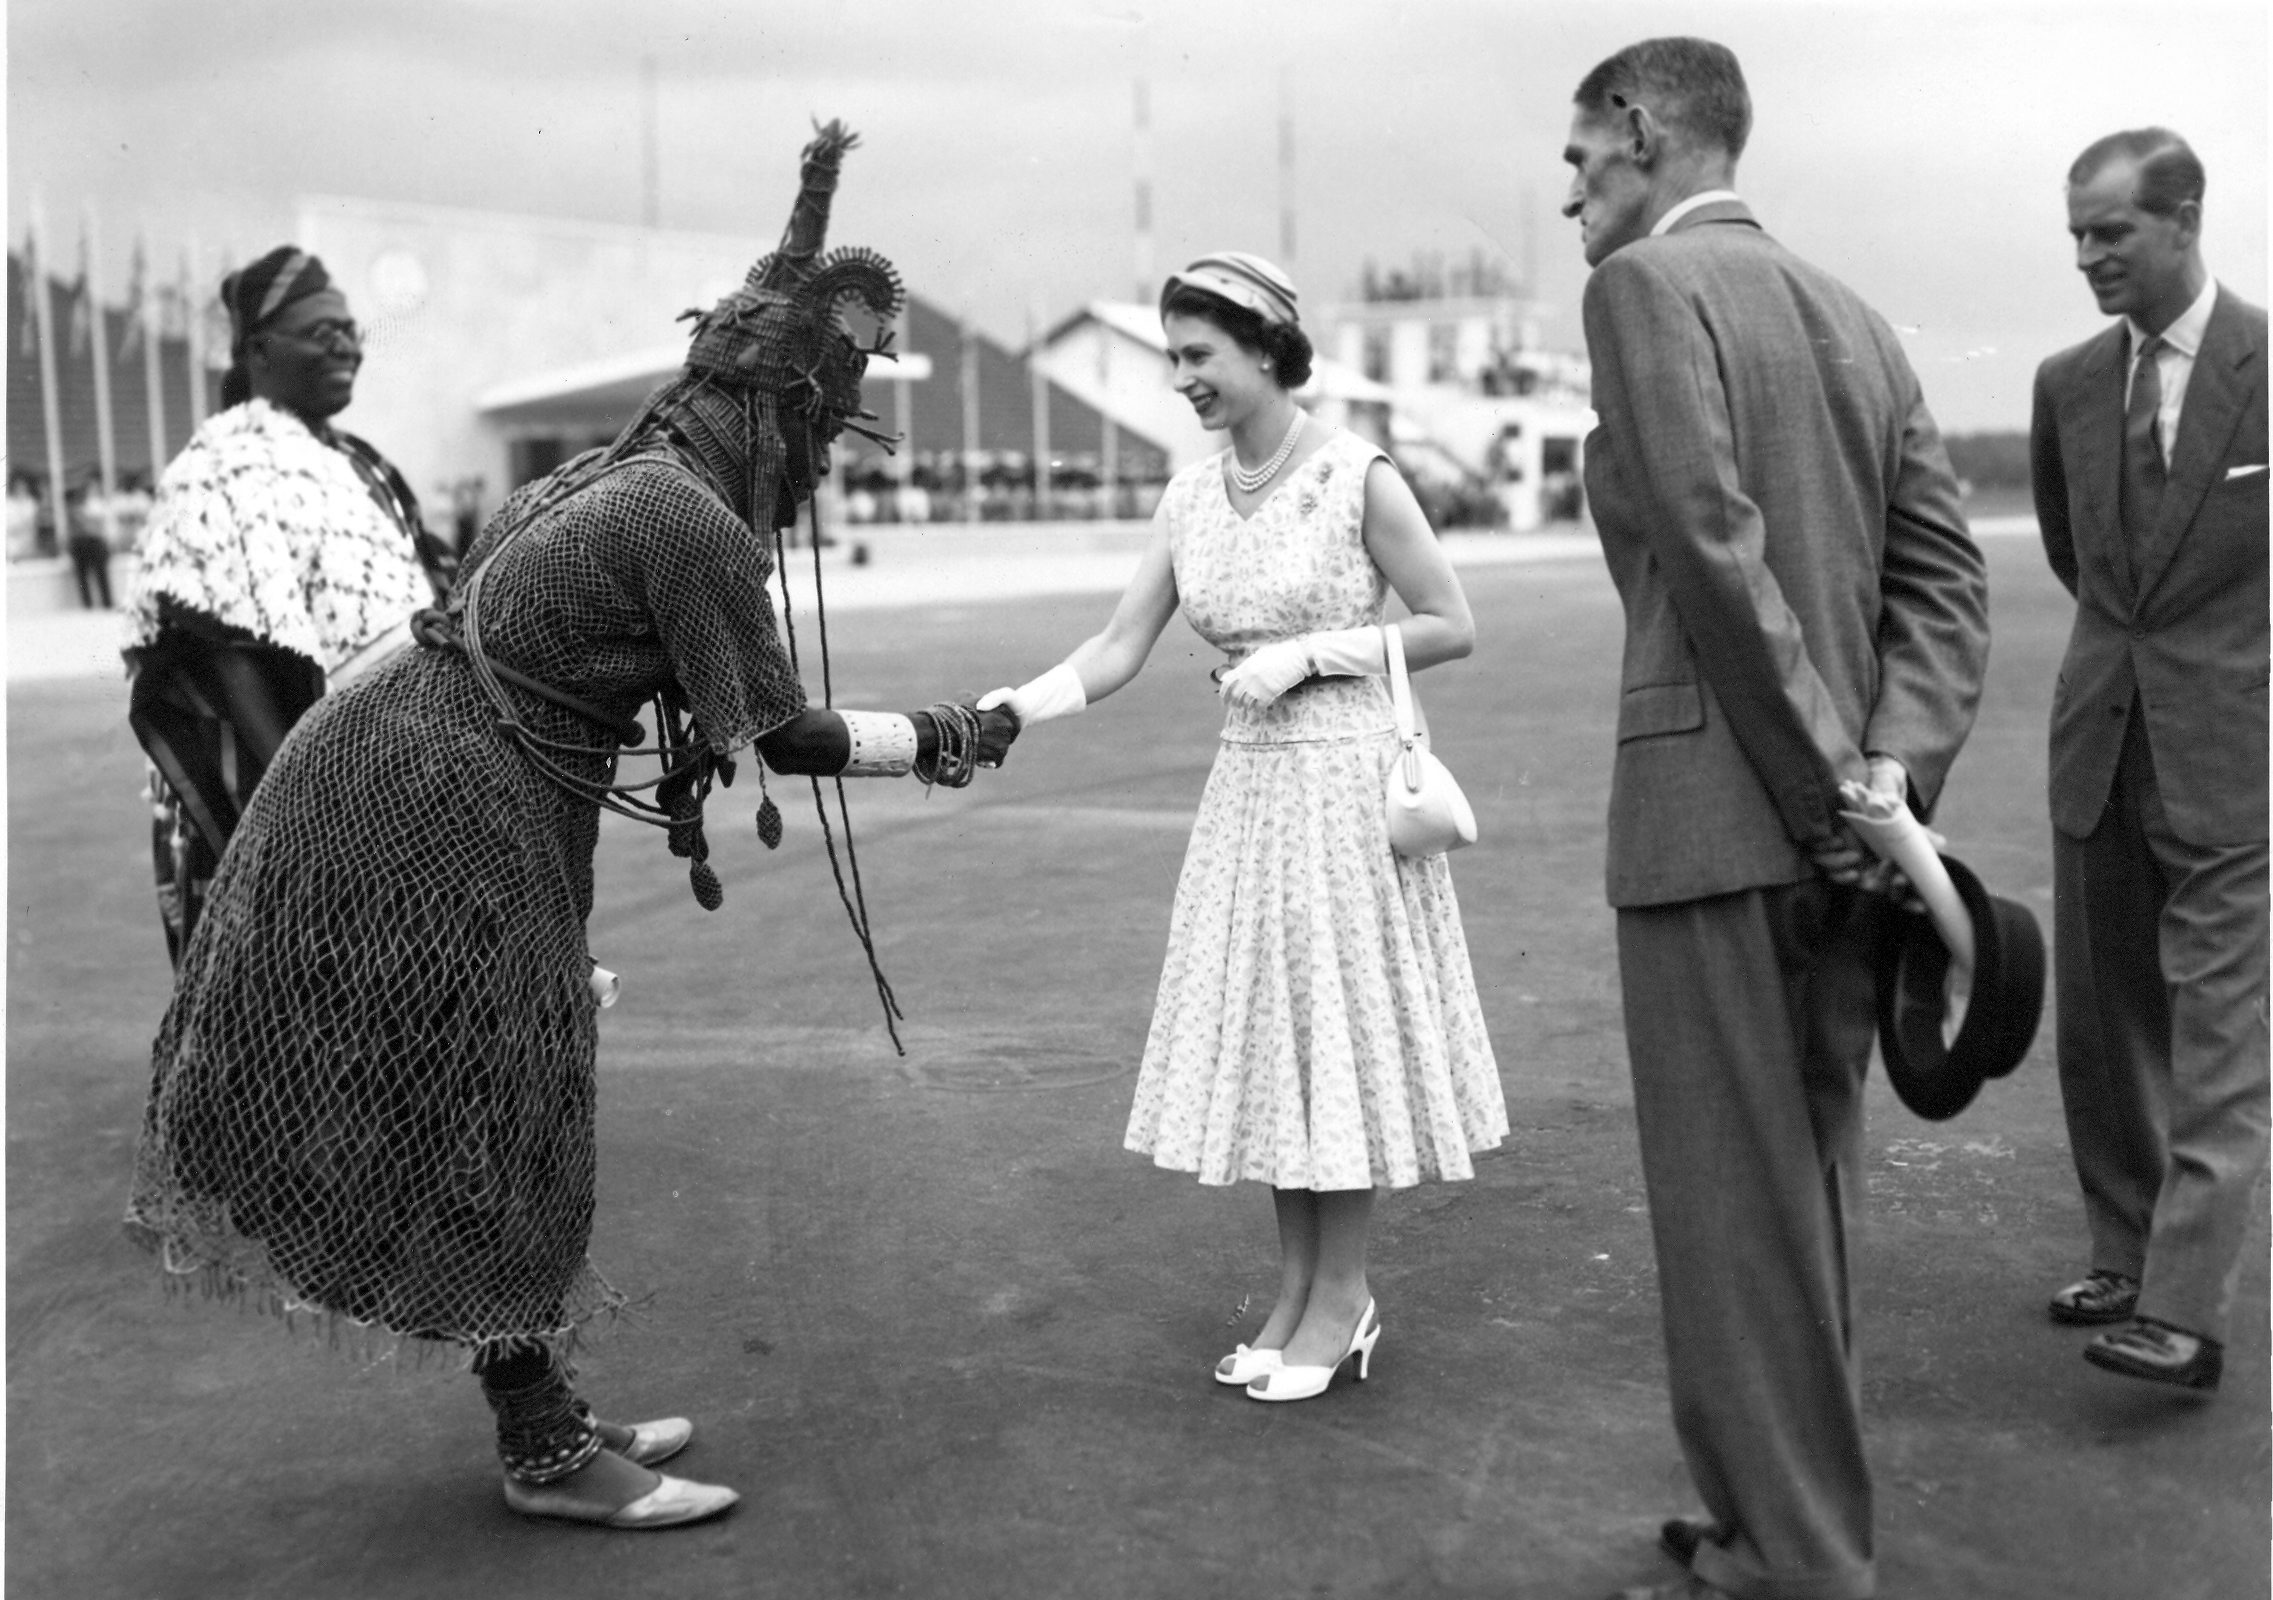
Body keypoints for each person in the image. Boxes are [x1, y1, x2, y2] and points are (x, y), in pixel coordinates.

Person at [125, 122, 1017, 1531]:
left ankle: (538, 1409)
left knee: (486, 1098)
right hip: (441, 800)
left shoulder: (615, 470)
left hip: (390, 765)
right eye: (822, 433)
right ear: (777, 413)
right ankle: (543, 1452)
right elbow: (781, 734)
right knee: (507, 1103)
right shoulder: (687, 521)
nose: (820, 468)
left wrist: (811, 200)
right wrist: (947, 736)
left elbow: (764, 317)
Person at [1559, 39, 1989, 1600]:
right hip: (1857, 840)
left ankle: (1799, 1563)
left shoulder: (1643, 292)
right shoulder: (1856, 317)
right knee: (1808, 1196)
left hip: (1722, 826)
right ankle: (1781, 1530)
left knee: (1733, 1219)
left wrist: (1825, 800)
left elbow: (1711, 542)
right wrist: (1888, 783)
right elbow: (1944, 578)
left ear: (1640, 128)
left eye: (1577, 160)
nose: (1570, 198)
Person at [980, 251, 1506, 1404]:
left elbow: (1449, 622)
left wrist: (1311, 653)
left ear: (1266, 349)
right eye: (1172, 356)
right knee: (1278, 1042)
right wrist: (1018, 707)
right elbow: (1118, 644)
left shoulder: (1355, 474)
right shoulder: (1188, 495)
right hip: (1248, 796)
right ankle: (1297, 1293)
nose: (1181, 378)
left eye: (1197, 354)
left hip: (1343, 790)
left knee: (1334, 1038)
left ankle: (1343, 1296)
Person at [2031, 129, 2268, 1394]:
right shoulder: (2066, 381)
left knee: (2219, 1037)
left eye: (2109, 231)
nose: (2085, 256)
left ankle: (2182, 1310)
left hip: (2232, 753)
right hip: (2099, 738)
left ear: (2182, 219)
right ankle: (2121, 1255)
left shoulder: (2264, 363)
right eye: (2074, 233)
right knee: (2104, 1017)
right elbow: (2076, 558)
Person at [123, 245, 452, 966]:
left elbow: (423, 582)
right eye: (320, 332)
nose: (345, 347)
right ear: (259, 350)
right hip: (276, 782)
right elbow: (226, 657)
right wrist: (303, 809)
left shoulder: (362, 463)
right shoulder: (218, 469)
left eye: (349, 330)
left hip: (393, 769)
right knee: (288, 994)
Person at [64, 474, 114, 608]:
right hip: (81, 542)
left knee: (101, 574)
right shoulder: (78, 505)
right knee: (82, 575)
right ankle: (87, 604)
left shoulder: (102, 504)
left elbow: (101, 525)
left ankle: (107, 602)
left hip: (96, 541)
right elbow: (79, 523)